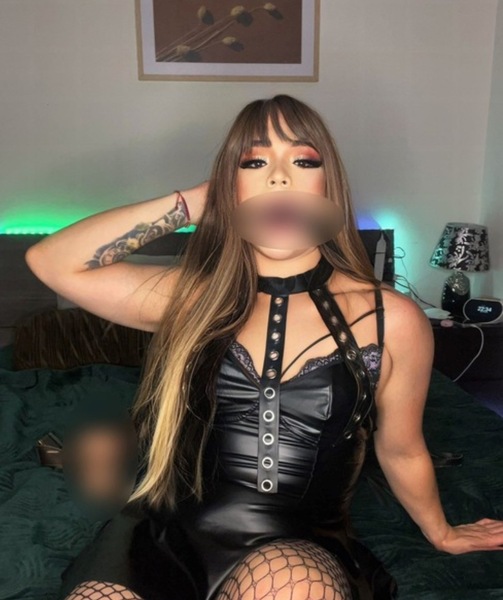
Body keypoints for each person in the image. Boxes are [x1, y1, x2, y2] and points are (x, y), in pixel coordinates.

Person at [26, 95, 503, 600]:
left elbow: (401, 448)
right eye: (254, 163)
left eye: (303, 161)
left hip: (294, 546)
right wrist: (196, 201)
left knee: (295, 588)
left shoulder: (392, 318)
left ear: (329, 184)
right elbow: (52, 261)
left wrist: (441, 532)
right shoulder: (191, 297)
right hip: (164, 535)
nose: (278, 178)